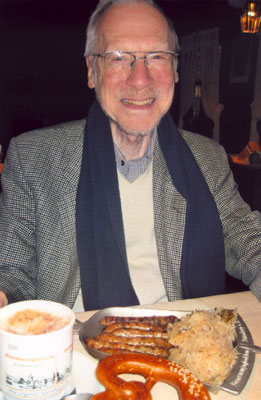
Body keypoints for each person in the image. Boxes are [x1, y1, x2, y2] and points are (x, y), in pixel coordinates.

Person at [0, 0, 260, 311]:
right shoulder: (32, 158)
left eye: (156, 57)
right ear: (92, 71)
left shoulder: (208, 158)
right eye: (119, 57)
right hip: (77, 347)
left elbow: (247, 240)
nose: (140, 79)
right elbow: (12, 272)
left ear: (176, 71)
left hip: (182, 341)